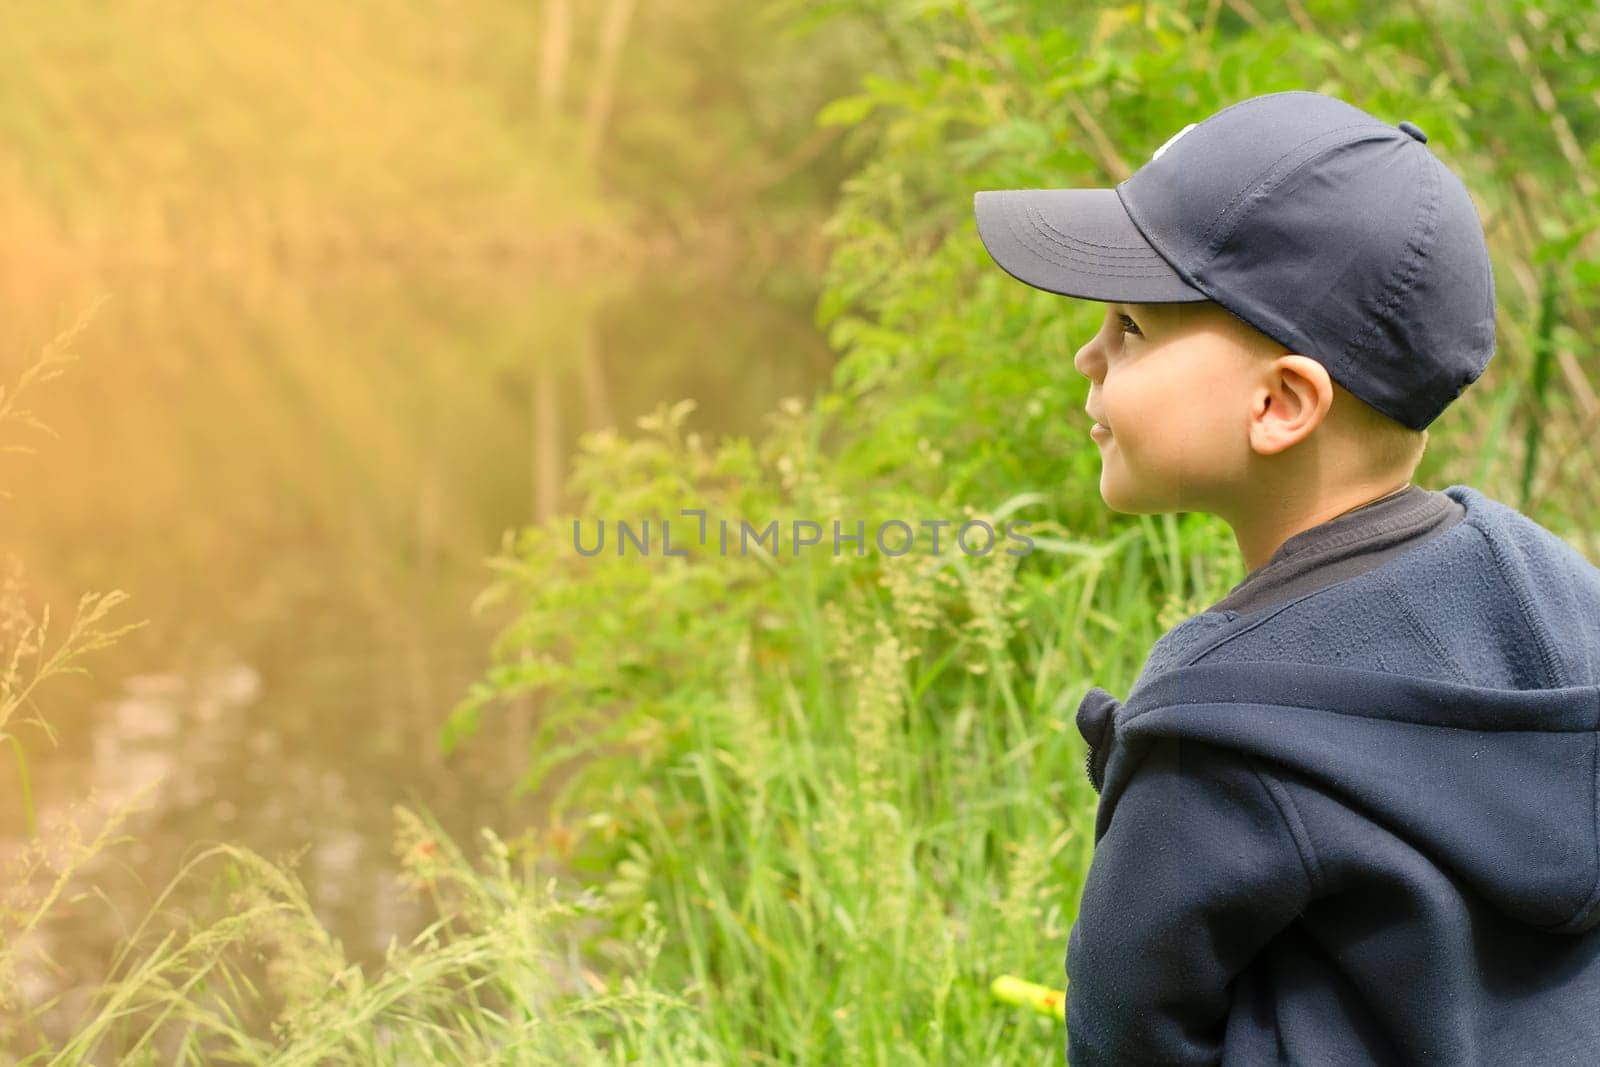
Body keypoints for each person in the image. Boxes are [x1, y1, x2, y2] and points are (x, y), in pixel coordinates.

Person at [973, 90, 1600, 1065]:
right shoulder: (1553, 585)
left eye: (1131, 326)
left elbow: (1125, 1036)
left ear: (1280, 401)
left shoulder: (1218, 728)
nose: (1085, 353)